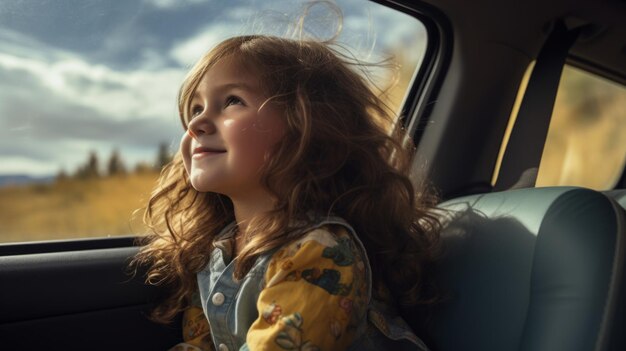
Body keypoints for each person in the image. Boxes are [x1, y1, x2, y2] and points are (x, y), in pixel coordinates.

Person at [131, 35, 441, 351]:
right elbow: (203, 344)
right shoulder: (217, 251)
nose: (196, 123)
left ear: (308, 130)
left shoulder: (322, 252)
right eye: (195, 108)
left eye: (232, 101)